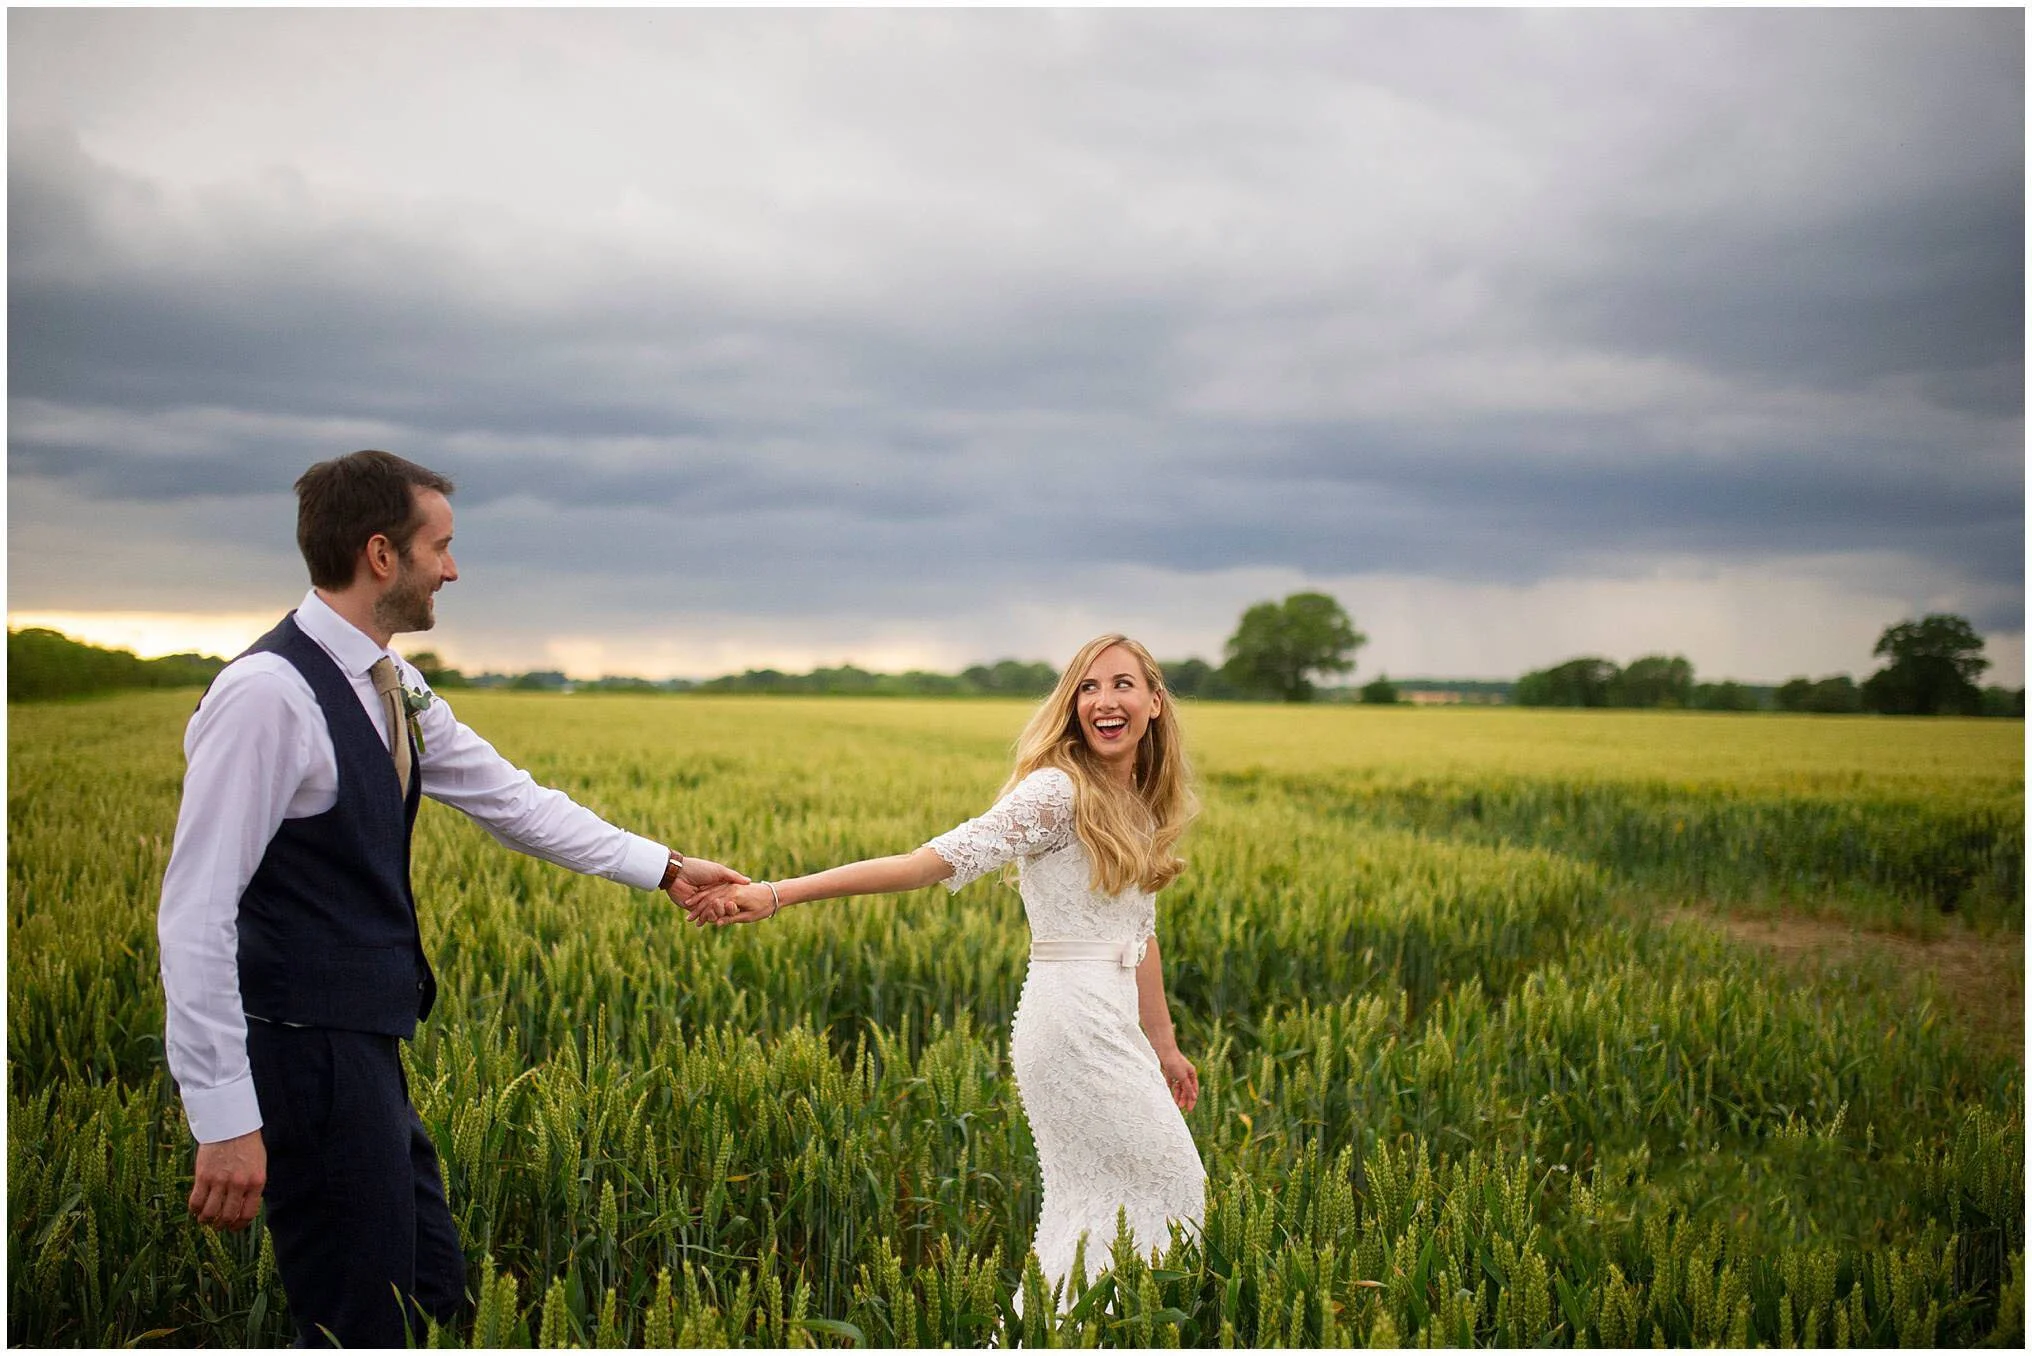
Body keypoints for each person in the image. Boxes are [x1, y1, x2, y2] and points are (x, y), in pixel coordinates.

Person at [156, 449, 747, 1347]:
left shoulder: (392, 683)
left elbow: (510, 800)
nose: (455, 569)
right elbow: (196, 913)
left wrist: (663, 866)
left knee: (430, 1294)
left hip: (367, 1051)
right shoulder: (267, 697)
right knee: (358, 1317)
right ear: (382, 554)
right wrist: (227, 1117)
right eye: (443, 547)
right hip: (304, 1055)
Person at [690, 633, 1205, 1315]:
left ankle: (1065, 1330)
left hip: (1115, 1019)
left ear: (1155, 702)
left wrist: (1164, 1044)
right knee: (1171, 1184)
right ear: (1071, 705)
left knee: (1127, 1196)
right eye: (1087, 687)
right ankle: (1067, 1330)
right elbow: (924, 863)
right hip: (1072, 1021)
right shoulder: (1057, 792)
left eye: (1121, 685)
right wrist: (780, 892)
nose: (1104, 702)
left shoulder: (1138, 800)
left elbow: (1141, 935)